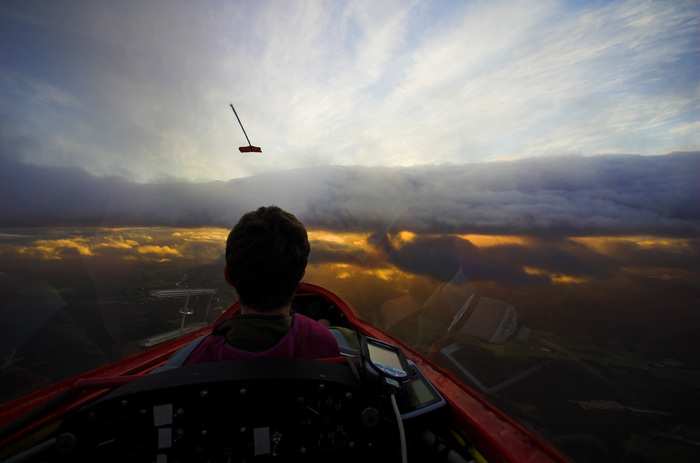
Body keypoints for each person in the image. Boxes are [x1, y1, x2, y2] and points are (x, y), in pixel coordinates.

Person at [183, 206, 340, 364]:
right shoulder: (326, 345)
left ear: (228, 276)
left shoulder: (192, 359)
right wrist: (320, 328)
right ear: (300, 276)